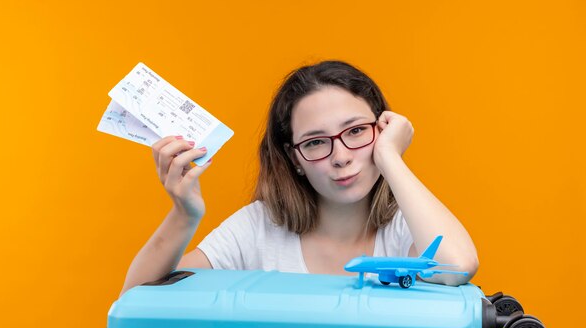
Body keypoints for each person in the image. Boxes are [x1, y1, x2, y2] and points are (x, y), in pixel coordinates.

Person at [120, 60, 479, 296]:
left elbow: (458, 266)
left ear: (382, 130)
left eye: (356, 132)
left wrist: (389, 158)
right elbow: (134, 303)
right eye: (316, 142)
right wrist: (185, 215)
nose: (341, 157)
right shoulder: (257, 229)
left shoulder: (408, 229)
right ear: (295, 159)